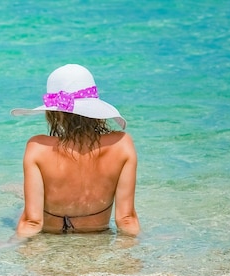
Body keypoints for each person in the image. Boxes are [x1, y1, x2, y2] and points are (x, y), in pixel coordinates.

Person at [11, 64, 140, 239]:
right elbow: (126, 219)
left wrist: (9, 247)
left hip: (52, 237)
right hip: (96, 237)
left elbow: (32, 222)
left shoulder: (38, 148)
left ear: (55, 113)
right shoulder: (122, 144)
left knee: (18, 205)